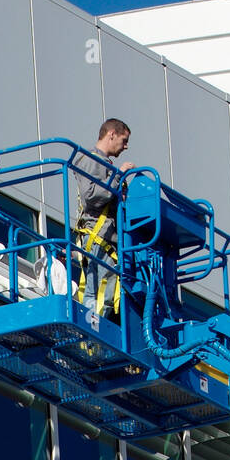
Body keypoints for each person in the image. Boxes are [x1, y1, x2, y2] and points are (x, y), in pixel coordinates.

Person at [72, 119, 132, 320]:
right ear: (111, 134)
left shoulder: (100, 163)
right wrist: (119, 176)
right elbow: (92, 197)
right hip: (100, 236)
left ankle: (92, 328)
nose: (126, 146)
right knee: (100, 290)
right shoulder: (92, 159)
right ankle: (93, 331)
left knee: (99, 288)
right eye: (124, 140)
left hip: (103, 237)